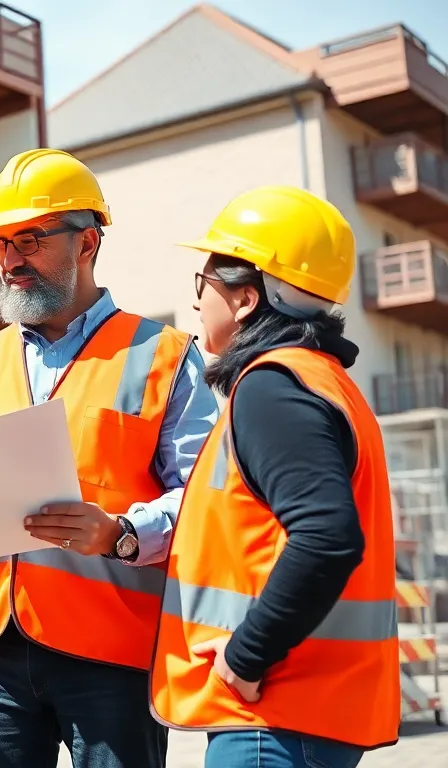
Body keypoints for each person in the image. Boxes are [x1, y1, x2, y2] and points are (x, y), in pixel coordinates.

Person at [0, 148, 219, 768]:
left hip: (111, 651)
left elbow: (208, 499)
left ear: (87, 242)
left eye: (31, 240)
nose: (11, 260)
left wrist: (122, 534)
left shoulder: (164, 356)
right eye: (1, 245)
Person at [151, 185, 400, 767]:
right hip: (306, 715)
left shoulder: (272, 386)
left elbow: (328, 538)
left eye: (204, 283)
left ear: (246, 297)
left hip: (272, 721)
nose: (197, 303)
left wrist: (245, 657)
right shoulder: (324, 382)